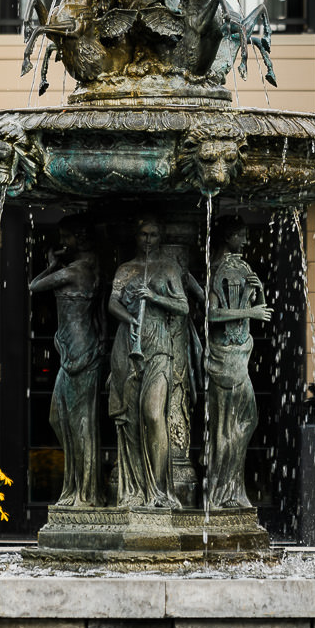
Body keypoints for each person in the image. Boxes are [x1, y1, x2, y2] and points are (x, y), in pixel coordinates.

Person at [107, 216, 200, 508]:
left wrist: (155, 297)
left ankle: (159, 489)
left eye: (154, 235)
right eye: (144, 234)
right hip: (128, 344)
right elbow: (112, 303)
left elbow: (183, 306)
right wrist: (130, 317)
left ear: (160, 237)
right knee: (131, 420)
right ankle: (134, 490)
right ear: (137, 237)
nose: (149, 240)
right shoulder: (126, 269)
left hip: (160, 345)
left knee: (152, 414)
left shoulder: (168, 268)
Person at [29, 224, 102, 508]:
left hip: (79, 352)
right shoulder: (88, 268)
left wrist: (50, 265)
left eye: (66, 236)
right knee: (59, 418)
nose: (62, 241)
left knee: (78, 422)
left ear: (80, 238)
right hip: (74, 348)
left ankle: (84, 492)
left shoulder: (75, 271)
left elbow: (34, 286)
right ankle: (78, 486)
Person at [205, 219, 272, 512]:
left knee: (241, 422)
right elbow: (212, 314)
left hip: (238, 353)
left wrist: (259, 292)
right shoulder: (219, 269)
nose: (245, 241)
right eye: (242, 236)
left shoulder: (238, 268)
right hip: (227, 357)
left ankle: (229, 488)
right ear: (229, 236)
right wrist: (251, 310)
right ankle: (222, 493)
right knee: (228, 425)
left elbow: (259, 311)